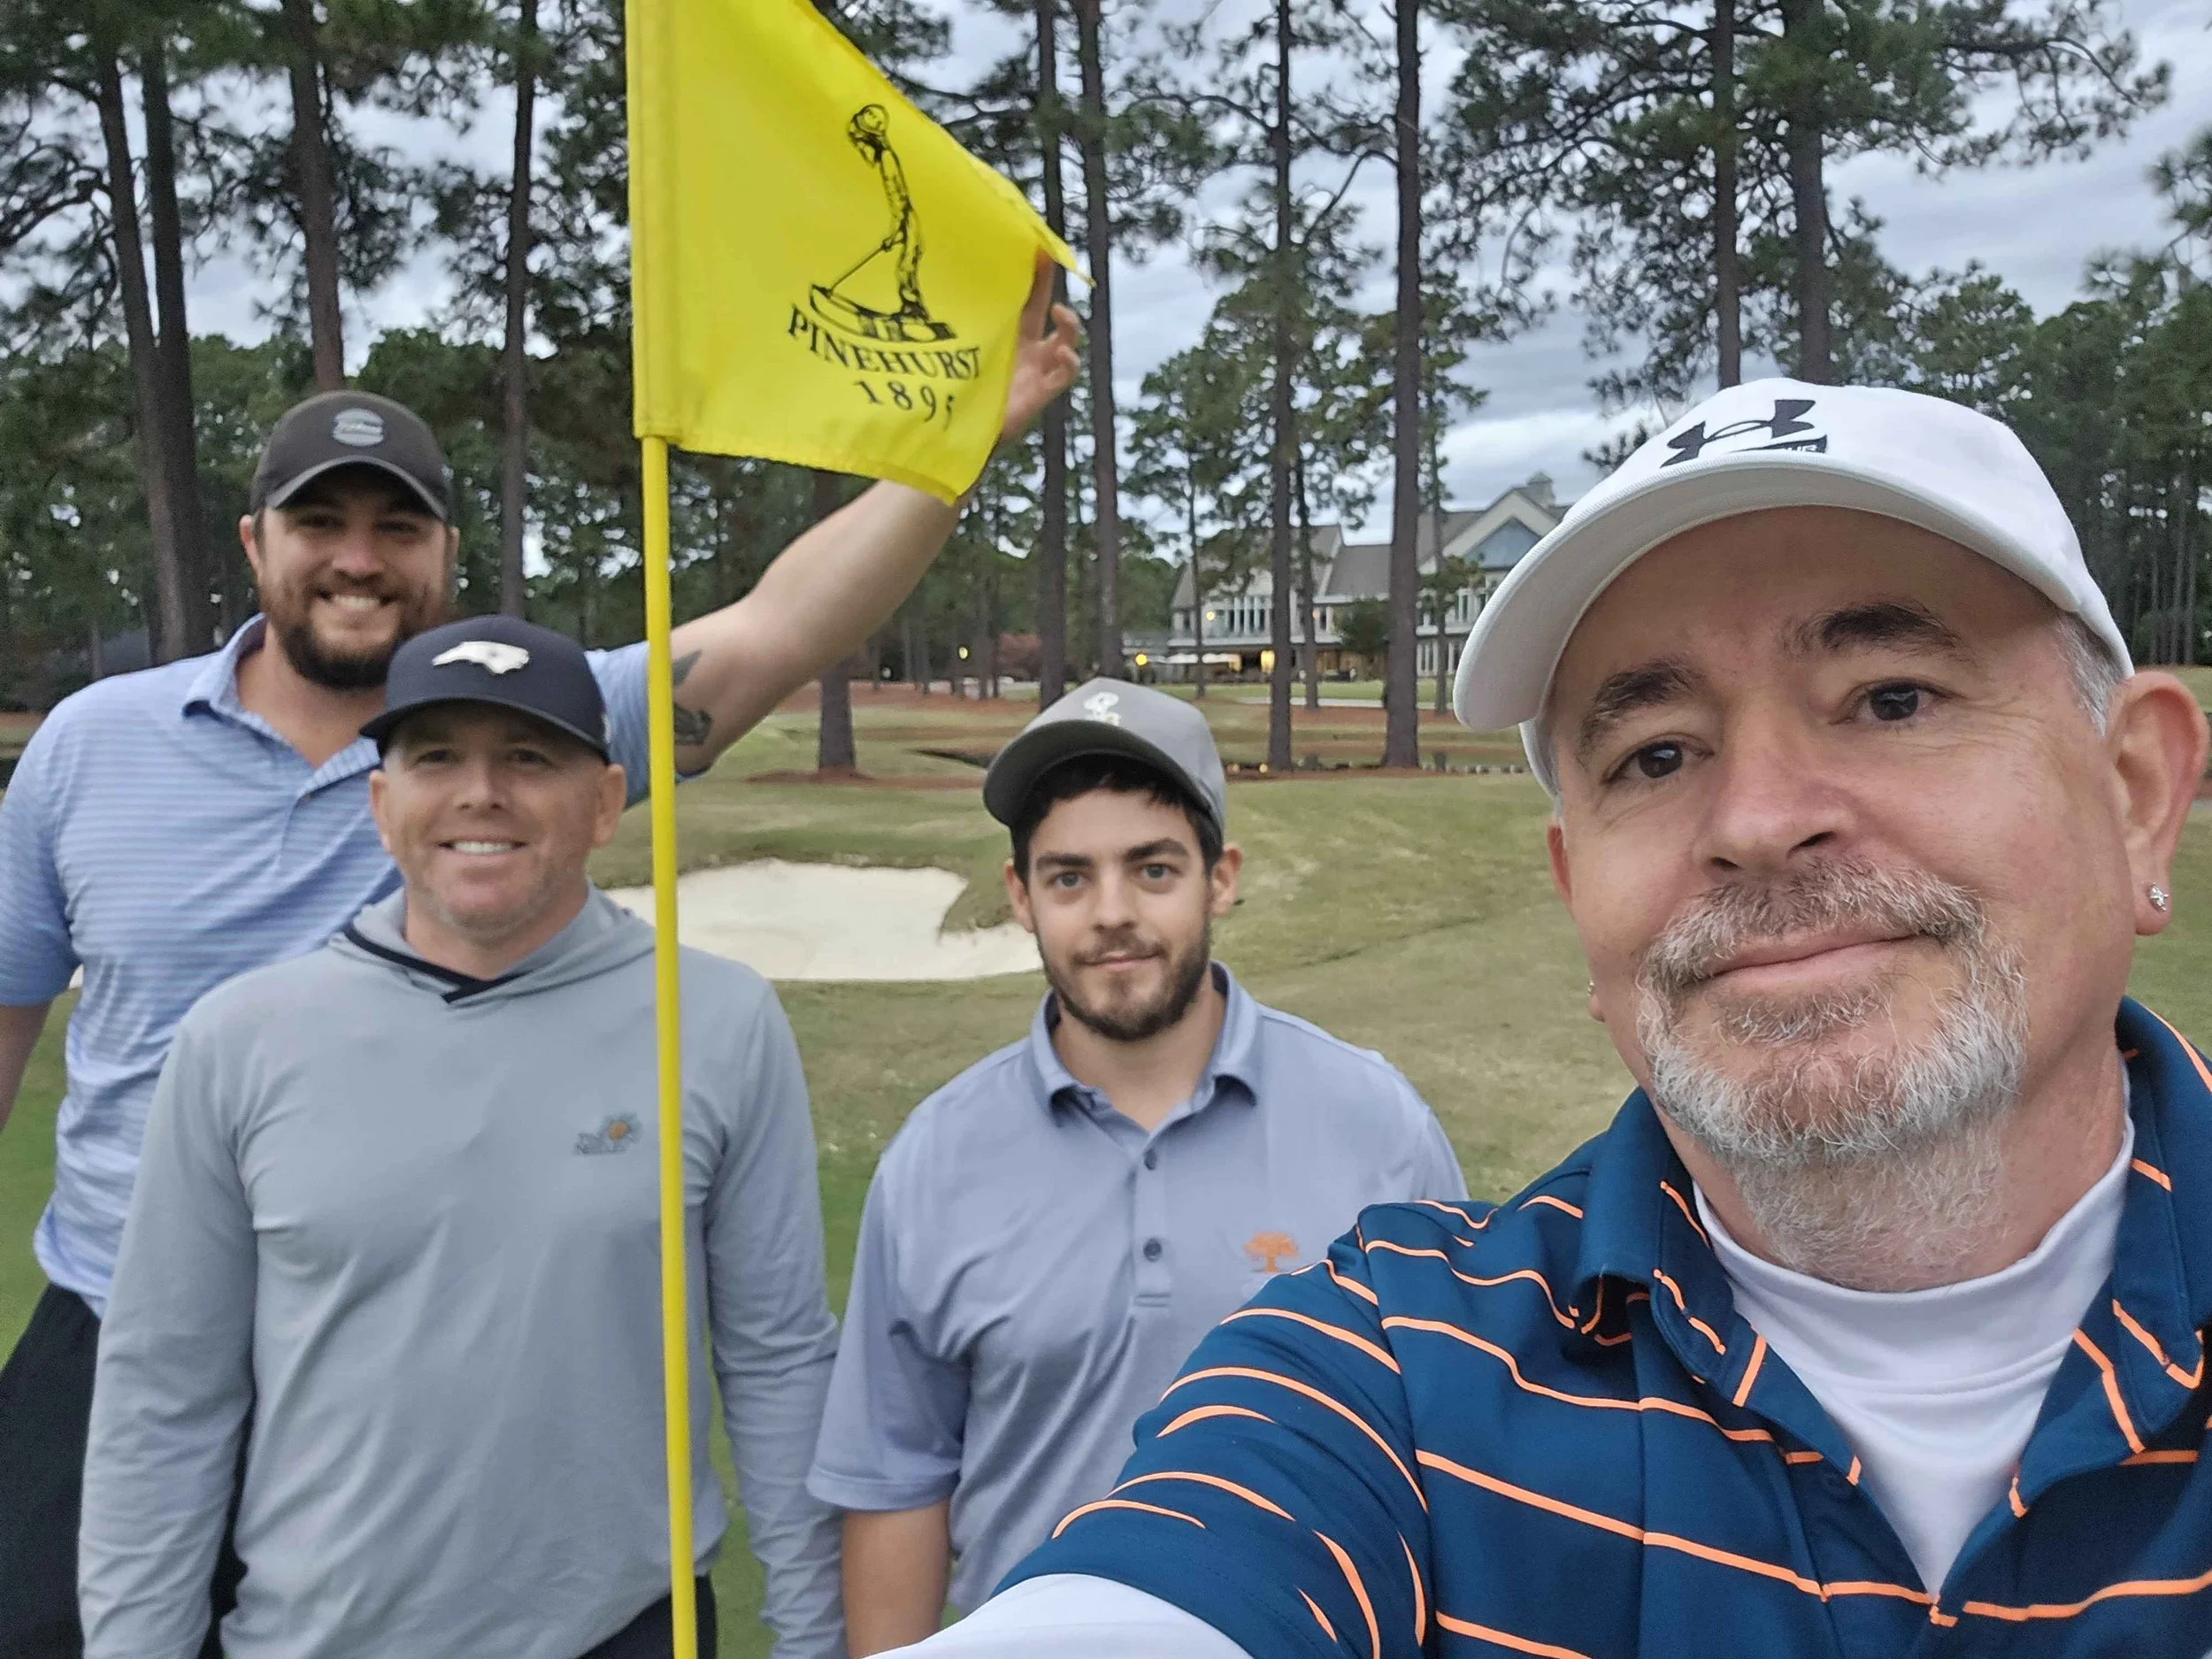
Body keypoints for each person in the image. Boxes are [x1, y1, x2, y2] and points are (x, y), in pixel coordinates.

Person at [866, 380, 2212, 1655]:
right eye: (1658, 754)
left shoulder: (1361, 1112)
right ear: (1580, 896)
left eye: (1892, 698)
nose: (1755, 820)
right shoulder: (1396, 1363)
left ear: (2139, 789)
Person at [0, 270, 1076, 1655]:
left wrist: (957, 437)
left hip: (426, 1338)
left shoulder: (549, 709)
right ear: (257, 539)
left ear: (445, 554)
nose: (357, 556)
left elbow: (786, 620)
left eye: (397, 526)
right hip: (118, 1323)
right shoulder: (94, 743)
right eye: (321, 522)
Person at [78, 618, 842, 1658]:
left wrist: (814, 1638)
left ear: (608, 802)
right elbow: (164, 1395)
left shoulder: (714, 1021)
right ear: (382, 803)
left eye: (529, 758)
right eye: (437, 758)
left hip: (622, 1632)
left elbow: (778, 1361)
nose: (481, 794)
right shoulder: (240, 1039)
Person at [806, 677, 1467, 1654]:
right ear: (1021, 896)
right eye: (1069, 877)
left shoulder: (1376, 1126)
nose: (1110, 914)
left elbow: (1453, 1464)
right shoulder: (934, 1161)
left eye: (1152, 870)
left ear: (1221, 876)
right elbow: (897, 1485)